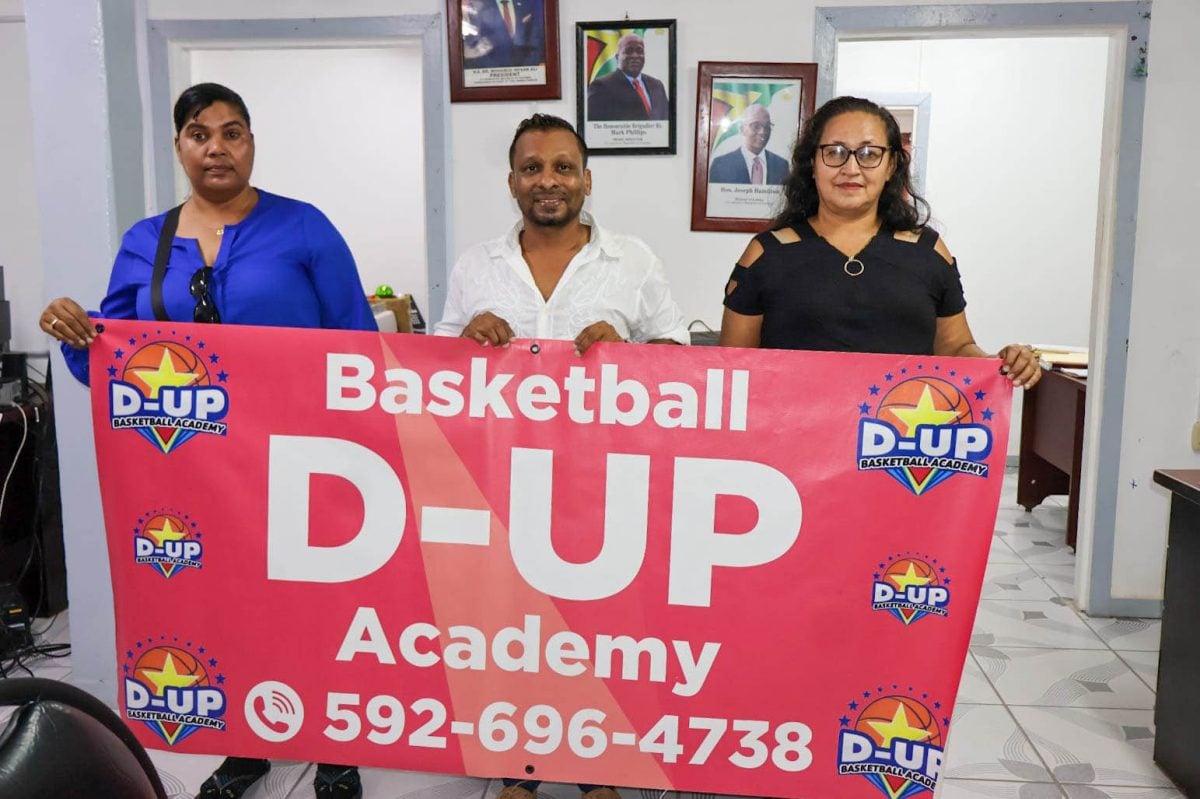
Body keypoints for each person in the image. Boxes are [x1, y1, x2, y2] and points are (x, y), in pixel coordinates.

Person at [39, 83, 373, 799]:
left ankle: (333, 748)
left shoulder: (304, 227)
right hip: (192, 470)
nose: (217, 147)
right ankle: (243, 747)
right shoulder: (145, 241)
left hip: (299, 457)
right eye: (200, 133)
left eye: (233, 132)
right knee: (223, 609)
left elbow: (357, 342)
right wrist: (74, 325)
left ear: (252, 142)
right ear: (179, 146)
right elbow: (115, 354)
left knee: (309, 603)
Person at [718, 95, 1042, 390]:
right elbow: (731, 369)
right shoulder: (766, 254)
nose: (851, 168)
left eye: (869, 154)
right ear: (811, 165)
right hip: (791, 444)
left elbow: (955, 349)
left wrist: (1001, 363)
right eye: (834, 152)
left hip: (895, 444)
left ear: (891, 167)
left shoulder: (928, 252)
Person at [434, 112, 687, 359]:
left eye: (563, 167)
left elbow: (677, 355)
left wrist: (623, 351)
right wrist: (464, 342)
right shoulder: (474, 266)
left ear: (586, 181)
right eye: (531, 168)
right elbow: (435, 366)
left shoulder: (635, 261)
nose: (547, 181)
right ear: (512, 184)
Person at [585, 34, 669, 122]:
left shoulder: (657, 86)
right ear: (617, 57)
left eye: (639, 51)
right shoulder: (601, 86)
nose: (635, 56)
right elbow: (594, 126)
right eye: (629, 51)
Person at [708, 104, 790, 185]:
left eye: (767, 126)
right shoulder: (721, 165)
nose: (762, 132)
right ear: (742, 129)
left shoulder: (781, 165)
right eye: (755, 126)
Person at [461, 0, 545, 69]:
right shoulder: (479, 5)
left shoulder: (528, 3)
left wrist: (528, 68)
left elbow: (535, 41)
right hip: (490, 75)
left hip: (526, 73)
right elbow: (472, 45)